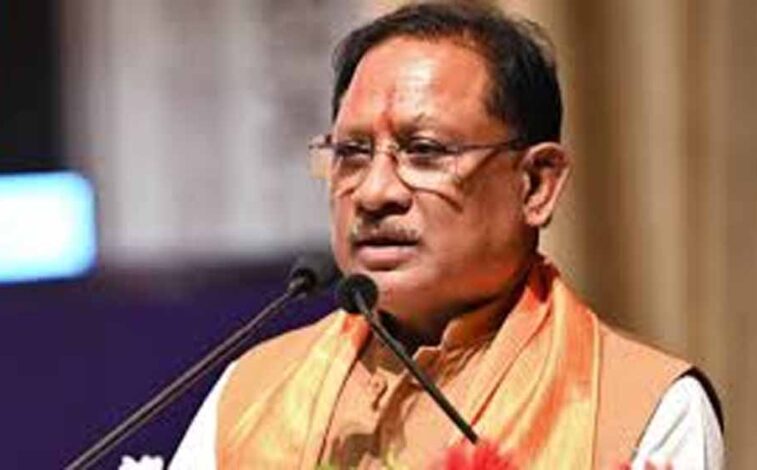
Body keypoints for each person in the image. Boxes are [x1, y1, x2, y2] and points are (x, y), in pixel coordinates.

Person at [170, 2, 723, 468]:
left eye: (425, 151)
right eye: (352, 153)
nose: (374, 192)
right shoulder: (251, 397)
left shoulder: (641, 411)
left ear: (536, 184)